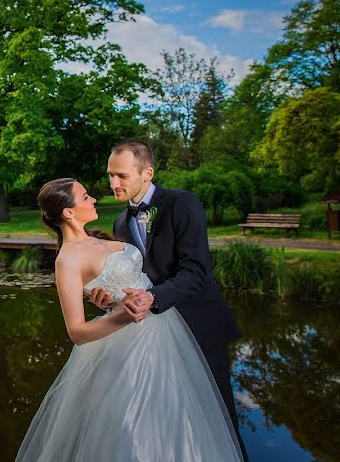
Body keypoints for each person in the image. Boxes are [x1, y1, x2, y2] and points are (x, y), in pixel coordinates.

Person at [16, 178, 243, 461]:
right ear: (68, 212)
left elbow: (128, 279)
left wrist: (113, 300)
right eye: (86, 197)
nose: (94, 199)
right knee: (136, 424)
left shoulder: (103, 237)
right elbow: (76, 331)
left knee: (180, 416)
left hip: (167, 330)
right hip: (128, 346)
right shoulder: (67, 260)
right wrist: (124, 315)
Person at [98, 139, 247, 459]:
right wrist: (109, 298)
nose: (113, 183)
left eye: (121, 175)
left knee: (218, 418)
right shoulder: (120, 222)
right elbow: (132, 276)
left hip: (200, 327)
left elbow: (196, 272)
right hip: (153, 337)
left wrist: (152, 297)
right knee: (162, 420)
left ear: (147, 173)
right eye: (110, 175)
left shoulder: (183, 204)